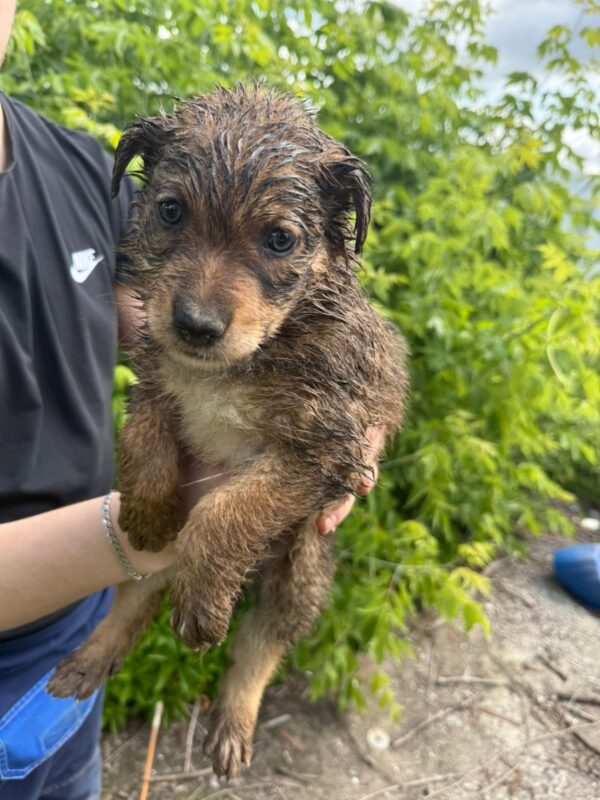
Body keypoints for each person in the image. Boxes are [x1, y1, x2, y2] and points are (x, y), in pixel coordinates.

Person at [0, 3, 374, 798]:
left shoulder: (71, 166)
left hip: (73, 618)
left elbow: (152, 343)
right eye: (171, 215)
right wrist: (152, 531)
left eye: (276, 239)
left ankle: (239, 689)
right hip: (66, 589)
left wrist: (337, 428)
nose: (204, 303)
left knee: (295, 576)